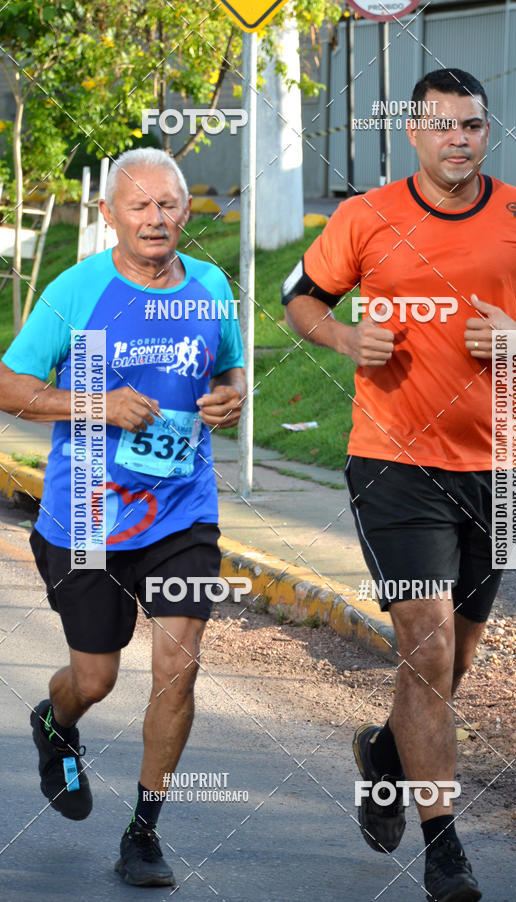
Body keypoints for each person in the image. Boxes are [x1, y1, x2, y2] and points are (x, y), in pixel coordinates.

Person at [281, 68, 516, 902]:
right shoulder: (367, 215)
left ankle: (384, 756)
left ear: (486, 134)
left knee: (454, 660)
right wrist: (347, 340)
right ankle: (446, 847)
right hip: (393, 462)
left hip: (498, 467)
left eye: (473, 126)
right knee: (423, 649)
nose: (459, 139)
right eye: (443, 126)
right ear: (413, 133)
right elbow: (302, 300)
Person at [0, 148, 246, 887]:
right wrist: (96, 405)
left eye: (169, 204)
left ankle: (143, 833)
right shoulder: (75, 292)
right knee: (96, 678)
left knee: (179, 668)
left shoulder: (210, 285)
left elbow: (229, 366)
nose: (156, 218)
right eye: (139, 206)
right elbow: (9, 385)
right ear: (109, 215)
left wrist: (232, 397)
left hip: (181, 514)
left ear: (184, 211)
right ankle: (55, 723)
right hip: (85, 517)